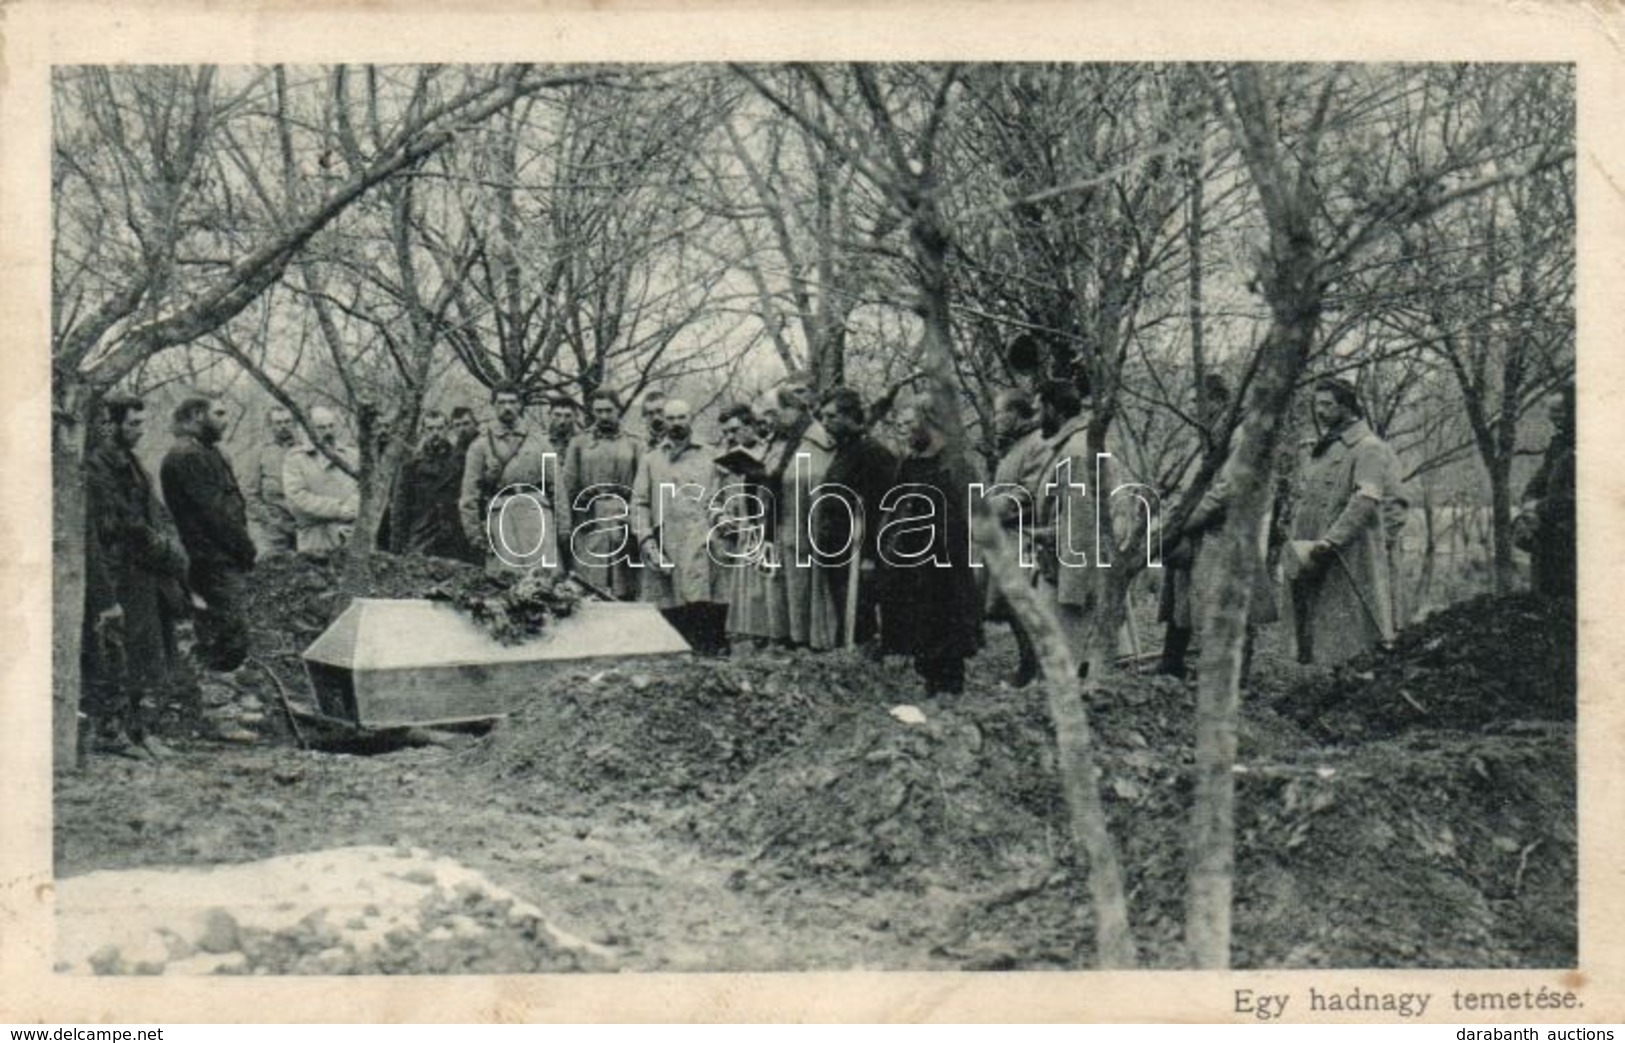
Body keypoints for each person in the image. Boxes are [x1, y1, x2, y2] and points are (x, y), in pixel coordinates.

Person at [83, 393, 192, 757]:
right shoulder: (97, 466)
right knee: (119, 653)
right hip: (119, 574)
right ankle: (113, 733)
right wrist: (168, 552)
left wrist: (173, 545)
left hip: (144, 574)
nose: (140, 431)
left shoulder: (131, 462)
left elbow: (155, 513)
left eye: (142, 423)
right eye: (133, 423)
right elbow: (127, 524)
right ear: (110, 425)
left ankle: (139, 730)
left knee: (147, 653)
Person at [1158, 376, 1278, 679]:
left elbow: (1226, 489)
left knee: (1224, 604)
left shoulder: (1239, 435)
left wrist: (1187, 519)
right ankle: (1172, 664)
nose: (1192, 409)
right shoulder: (1208, 434)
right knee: (1183, 600)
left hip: (1223, 530)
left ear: (1216, 401)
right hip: (1199, 528)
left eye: (1196, 402)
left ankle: (1229, 676)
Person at [1287, 376, 1408, 665]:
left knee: (1357, 633)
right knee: (1329, 630)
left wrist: (1334, 540)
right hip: (1321, 551)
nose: (1320, 411)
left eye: (1327, 405)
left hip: (1350, 552)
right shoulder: (1329, 447)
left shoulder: (1368, 447)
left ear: (1348, 408)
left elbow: (1367, 499)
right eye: (1317, 404)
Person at [875, 391, 983, 693]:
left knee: (946, 634)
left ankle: (949, 692)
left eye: (913, 423)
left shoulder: (955, 465)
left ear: (930, 422)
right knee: (920, 632)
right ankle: (932, 685)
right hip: (912, 564)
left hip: (945, 566)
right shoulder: (909, 464)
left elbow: (966, 516)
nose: (907, 430)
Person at [160, 395, 257, 674]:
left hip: (222, 556)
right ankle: (221, 692)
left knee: (229, 630)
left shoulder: (206, 451)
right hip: (211, 559)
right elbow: (214, 514)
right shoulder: (186, 456)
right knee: (229, 633)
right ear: (196, 416)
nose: (225, 421)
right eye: (219, 413)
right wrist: (244, 548)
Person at [632, 399, 728, 655]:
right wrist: (645, 539)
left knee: (702, 602)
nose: (676, 424)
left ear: (691, 419)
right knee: (670, 607)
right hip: (666, 542)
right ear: (664, 420)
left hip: (702, 541)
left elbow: (722, 496)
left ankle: (707, 658)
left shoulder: (711, 455)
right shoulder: (651, 460)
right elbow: (639, 503)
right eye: (671, 418)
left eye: (681, 418)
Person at [760, 382, 840, 650]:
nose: (772, 420)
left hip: (808, 528)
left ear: (793, 409)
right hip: (783, 526)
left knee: (808, 590)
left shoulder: (819, 441)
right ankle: (790, 640)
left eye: (776, 412)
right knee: (785, 590)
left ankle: (811, 643)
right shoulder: (783, 442)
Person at [816, 387, 898, 650]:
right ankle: (849, 655)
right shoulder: (840, 451)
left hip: (858, 548)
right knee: (843, 609)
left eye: (831, 416)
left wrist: (871, 555)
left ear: (851, 417)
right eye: (823, 417)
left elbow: (883, 508)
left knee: (860, 611)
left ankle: (864, 659)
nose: (825, 423)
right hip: (835, 544)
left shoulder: (873, 453)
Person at [461, 383, 558, 574]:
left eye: (512, 402)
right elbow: (469, 495)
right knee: (504, 582)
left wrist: (563, 530)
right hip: (501, 517)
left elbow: (557, 487)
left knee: (542, 582)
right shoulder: (480, 446)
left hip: (536, 515)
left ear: (520, 405)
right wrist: (475, 534)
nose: (507, 407)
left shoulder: (540, 442)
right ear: (493, 406)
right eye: (502, 402)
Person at [987, 388, 1046, 686]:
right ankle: (1028, 667)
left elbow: (1029, 493)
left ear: (1016, 413)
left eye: (1000, 412)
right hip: (1009, 535)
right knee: (1011, 604)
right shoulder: (1015, 446)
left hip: (1026, 536)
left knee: (1023, 603)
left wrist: (996, 509)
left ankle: (1032, 671)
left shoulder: (1036, 444)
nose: (996, 419)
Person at [560, 389, 643, 598]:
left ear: (618, 410)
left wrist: (636, 522)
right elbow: (567, 487)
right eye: (598, 411)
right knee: (589, 586)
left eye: (608, 410)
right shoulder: (579, 443)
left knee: (624, 587)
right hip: (589, 519)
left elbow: (642, 489)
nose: (604, 416)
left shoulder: (634, 443)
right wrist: (568, 525)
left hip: (622, 519)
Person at [714, 401, 783, 650]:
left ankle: (772, 647)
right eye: (726, 433)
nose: (731, 437)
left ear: (751, 426)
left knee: (767, 596)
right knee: (745, 603)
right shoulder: (726, 462)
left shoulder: (772, 453)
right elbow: (716, 499)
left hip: (768, 532)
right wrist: (722, 517)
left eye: (735, 430)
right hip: (741, 538)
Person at [388, 410, 468, 560]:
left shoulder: (460, 460)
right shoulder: (411, 465)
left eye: (440, 428)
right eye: (430, 429)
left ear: (448, 429)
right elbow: (400, 507)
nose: (435, 433)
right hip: (422, 532)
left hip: (452, 534)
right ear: (423, 431)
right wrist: (396, 546)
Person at [1521, 384, 1575, 601]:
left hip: (1570, 541)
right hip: (1548, 535)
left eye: (1559, 411)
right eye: (1551, 411)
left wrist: (1539, 507)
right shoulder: (1558, 443)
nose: (1553, 417)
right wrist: (1529, 502)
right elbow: (1539, 480)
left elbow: (1577, 497)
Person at [283, 405, 360, 556]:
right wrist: (336, 510)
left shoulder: (352, 455)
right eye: (321, 428)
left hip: (350, 534)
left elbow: (364, 489)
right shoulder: (296, 459)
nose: (328, 431)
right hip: (314, 538)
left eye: (331, 426)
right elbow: (296, 497)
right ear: (309, 429)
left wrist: (352, 509)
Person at [242, 406, 299, 554]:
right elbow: (250, 493)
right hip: (274, 528)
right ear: (271, 425)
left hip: (305, 525)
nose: (283, 426)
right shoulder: (260, 452)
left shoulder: (305, 449)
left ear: (294, 423)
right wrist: (272, 520)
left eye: (287, 421)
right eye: (278, 422)